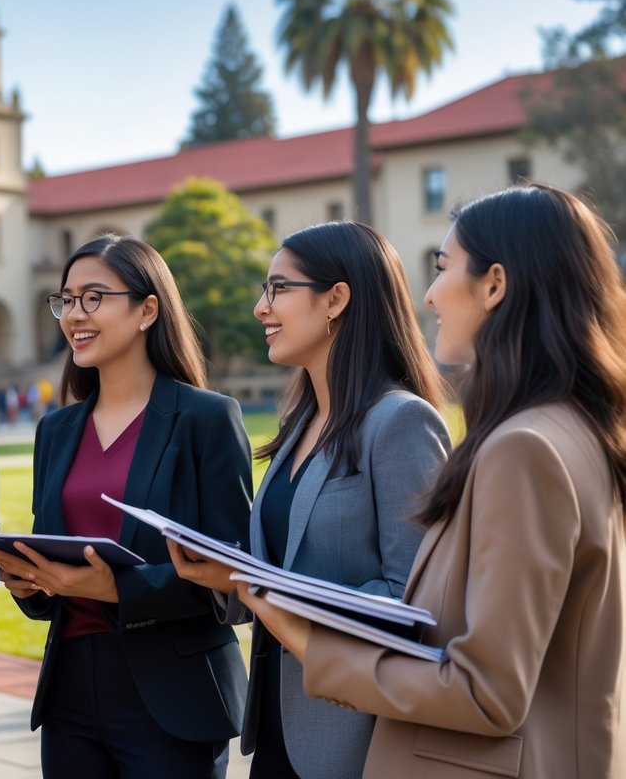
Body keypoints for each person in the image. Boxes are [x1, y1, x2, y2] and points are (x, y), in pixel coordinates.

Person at [234, 184, 626, 777]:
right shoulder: (568, 430)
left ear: (495, 284)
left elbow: (485, 686)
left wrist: (306, 635)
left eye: (443, 269)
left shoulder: (525, 449)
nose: (430, 294)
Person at [172, 220, 451, 778]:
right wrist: (225, 577)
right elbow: (279, 568)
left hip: (356, 736)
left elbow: (415, 601)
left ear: (336, 300)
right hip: (277, 725)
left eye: (278, 288)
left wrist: (258, 588)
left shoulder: (400, 422)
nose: (260, 307)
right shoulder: (299, 423)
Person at [0, 234, 252, 777]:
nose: (73, 315)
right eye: (66, 300)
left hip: (173, 694)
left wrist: (115, 589)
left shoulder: (206, 420)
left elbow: (236, 580)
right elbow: (56, 567)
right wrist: (31, 581)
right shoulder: (57, 430)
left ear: (147, 309)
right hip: (70, 695)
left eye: (93, 297)